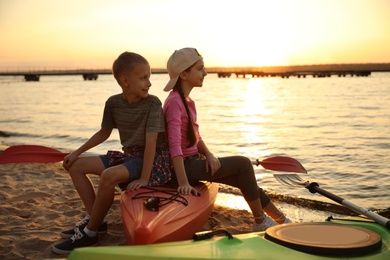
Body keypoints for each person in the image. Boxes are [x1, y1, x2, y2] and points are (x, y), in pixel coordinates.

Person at [52, 52, 171, 254]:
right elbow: (104, 133)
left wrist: (143, 178)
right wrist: (76, 152)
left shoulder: (153, 103)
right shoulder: (113, 103)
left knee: (108, 176)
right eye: (144, 77)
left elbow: (151, 142)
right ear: (125, 81)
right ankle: (96, 221)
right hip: (129, 157)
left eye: (149, 77)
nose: (149, 83)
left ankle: (89, 234)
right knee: (76, 165)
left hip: (151, 161)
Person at [163, 48, 291, 232]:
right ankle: (260, 220)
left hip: (193, 162)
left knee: (245, 179)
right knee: (244, 164)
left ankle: (281, 220)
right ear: (184, 74)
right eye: (200, 69)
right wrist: (183, 182)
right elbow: (174, 144)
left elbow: (194, 138)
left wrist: (209, 155)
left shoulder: (187, 101)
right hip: (183, 167)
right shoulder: (174, 101)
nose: (205, 73)